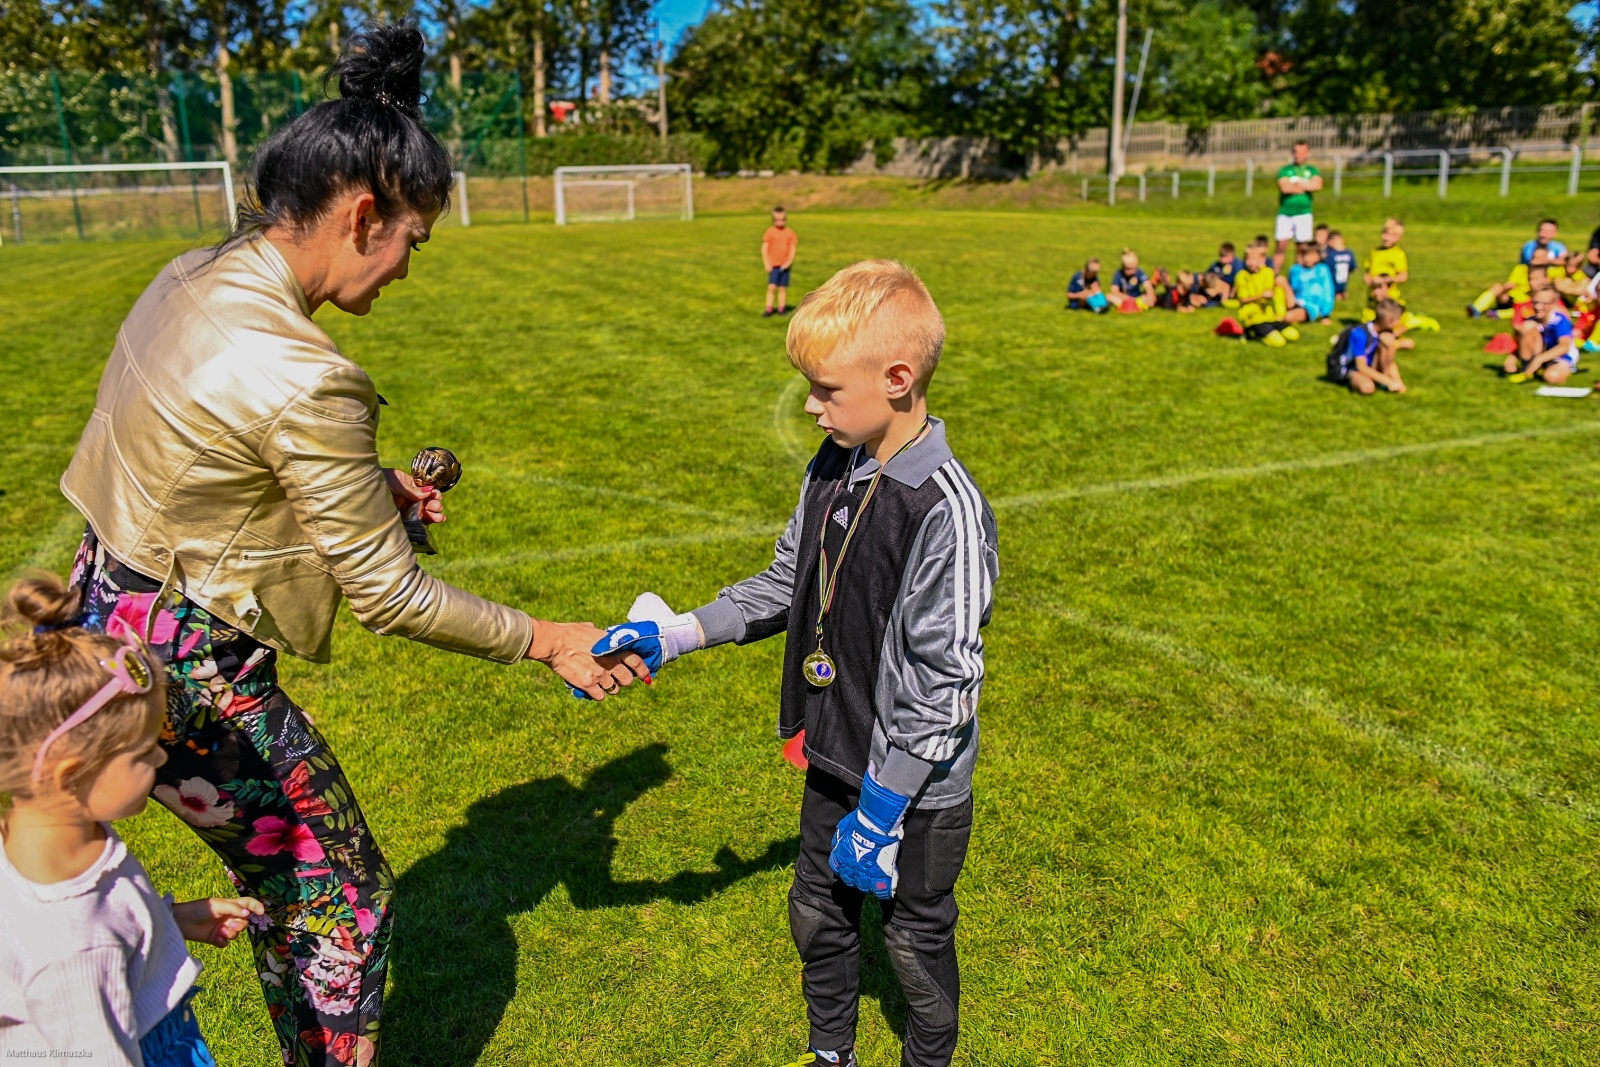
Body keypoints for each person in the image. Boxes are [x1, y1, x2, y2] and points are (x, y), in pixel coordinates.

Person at [53, 21, 649, 1066]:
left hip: (95, 615)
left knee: (259, 888)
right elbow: (390, 595)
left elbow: (201, 450)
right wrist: (546, 634)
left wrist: (364, 489)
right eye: (412, 239)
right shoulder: (311, 373)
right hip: (184, 670)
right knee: (343, 900)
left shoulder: (191, 272)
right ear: (365, 213)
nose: (407, 269)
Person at [597, 260, 995, 1067]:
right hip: (833, 753)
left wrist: (883, 811)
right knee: (817, 912)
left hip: (914, 788)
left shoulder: (945, 507)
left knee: (915, 943)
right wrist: (677, 633)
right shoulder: (834, 466)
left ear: (896, 378)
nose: (811, 407)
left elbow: (942, 681)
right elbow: (787, 581)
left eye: (825, 389)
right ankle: (830, 1055)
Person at [0, 572, 265, 1065]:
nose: (160, 763)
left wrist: (169, 919)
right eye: (144, 753)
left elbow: (109, 913)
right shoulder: (74, 952)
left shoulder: (55, 840)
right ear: (74, 774)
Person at [1327, 298, 1410, 395]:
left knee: (1389, 340)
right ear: (1387, 320)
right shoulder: (1359, 333)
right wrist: (1388, 381)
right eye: (1398, 319)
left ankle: (1381, 380)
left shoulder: (1385, 332)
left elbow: (1391, 361)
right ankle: (1359, 380)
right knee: (1367, 387)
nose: (1399, 323)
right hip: (1348, 368)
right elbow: (1361, 367)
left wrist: (1398, 381)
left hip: (1368, 365)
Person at [1506, 286, 1578, 384]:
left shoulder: (1559, 320)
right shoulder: (1531, 320)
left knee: (1552, 377)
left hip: (1561, 357)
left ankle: (1555, 370)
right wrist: (1512, 358)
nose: (1538, 307)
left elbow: (1564, 347)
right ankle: (1527, 368)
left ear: (1554, 303)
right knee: (1527, 326)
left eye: (1544, 303)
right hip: (1539, 356)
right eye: (1535, 302)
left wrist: (1540, 359)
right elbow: (1520, 341)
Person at [1235, 241, 1297, 346]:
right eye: (1248, 259)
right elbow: (1242, 299)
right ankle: (1252, 333)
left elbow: (1274, 292)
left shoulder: (1268, 272)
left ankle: (1267, 330)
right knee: (1279, 342)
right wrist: (1261, 295)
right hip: (1253, 317)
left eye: (1254, 259)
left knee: (1293, 335)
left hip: (1269, 316)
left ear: (1262, 260)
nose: (1250, 263)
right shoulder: (1241, 276)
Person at [1274, 140, 1322, 270]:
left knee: (1302, 247)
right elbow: (1285, 188)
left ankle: (1299, 275)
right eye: (1296, 152)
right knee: (1281, 245)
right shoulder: (1285, 170)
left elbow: (1317, 185)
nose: (1298, 155)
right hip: (1286, 212)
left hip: (1304, 213)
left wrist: (1296, 184)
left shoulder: (1312, 170)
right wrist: (1305, 186)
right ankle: (1273, 275)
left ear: (1307, 153)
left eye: (1302, 152)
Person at [1362, 218, 1409, 308]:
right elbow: (1368, 269)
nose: (1387, 238)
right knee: (1370, 319)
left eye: (1393, 235)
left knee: (1388, 318)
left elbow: (1403, 276)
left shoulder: (1398, 254)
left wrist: (1385, 280)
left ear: (1399, 238)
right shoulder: (1374, 252)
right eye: (1385, 233)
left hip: (1389, 296)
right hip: (1373, 295)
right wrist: (1367, 277)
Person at [764, 206, 800, 317]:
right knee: (771, 287)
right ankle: (769, 309)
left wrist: (789, 262)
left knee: (782, 288)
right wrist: (767, 263)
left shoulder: (789, 233)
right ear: (773, 220)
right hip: (773, 265)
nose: (780, 222)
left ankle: (781, 308)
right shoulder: (770, 232)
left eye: (782, 219)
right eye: (777, 220)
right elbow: (764, 248)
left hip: (784, 266)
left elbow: (792, 248)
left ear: (786, 219)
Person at [1287, 242, 1335, 324]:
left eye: (1312, 255)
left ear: (1318, 256)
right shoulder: (1295, 269)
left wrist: (1325, 315)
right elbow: (1291, 288)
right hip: (1293, 303)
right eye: (1306, 255)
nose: (1308, 258)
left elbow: (1327, 292)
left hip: (1311, 306)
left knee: (1288, 317)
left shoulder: (1322, 270)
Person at [1325, 230, 1357, 301]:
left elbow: (1352, 264)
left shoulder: (1348, 252)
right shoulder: (1330, 254)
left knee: (1342, 282)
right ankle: (1337, 294)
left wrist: (1353, 268)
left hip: (1343, 277)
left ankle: (1342, 292)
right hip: (1333, 278)